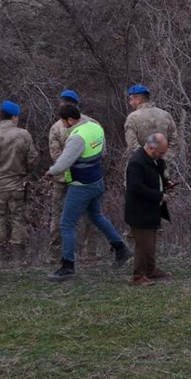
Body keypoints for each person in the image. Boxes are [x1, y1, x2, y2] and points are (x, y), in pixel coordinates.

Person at [41, 102, 133, 281]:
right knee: (97, 217)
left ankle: (68, 266)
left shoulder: (77, 137)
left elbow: (64, 162)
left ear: (69, 120)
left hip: (80, 185)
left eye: (63, 122)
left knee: (66, 224)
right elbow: (103, 151)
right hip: (96, 181)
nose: (63, 125)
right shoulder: (94, 126)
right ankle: (121, 249)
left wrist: (50, 172)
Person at [0, 99, 38, 267]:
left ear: (1, 116)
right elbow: (33, 160)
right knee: (18, 220)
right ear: (14, 117)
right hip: (18, 185)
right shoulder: (23, 134)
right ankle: (18, 259)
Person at [47, 89, 97, 264]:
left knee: (59, 217)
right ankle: (90, 252)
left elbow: (56, 155)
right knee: (90, 214)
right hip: (85, 178)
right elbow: (99, 151)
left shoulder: (56, 128)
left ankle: (55, 255)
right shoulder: (92, 124)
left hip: (62, 180)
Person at [125, 132, 174, 285]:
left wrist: (166, 182)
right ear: (151, 147)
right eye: (161, 153)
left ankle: (151, 270)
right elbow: (135, 187)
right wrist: (159, 196)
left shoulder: (155, 160)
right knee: (143, 245)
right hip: (139, 211)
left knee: (151, 242)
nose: (162, 156)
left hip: (152, 209)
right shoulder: (136, 162)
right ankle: (138, 276)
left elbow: (156, 176)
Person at [124, 83, 178, 170]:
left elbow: (132, 146)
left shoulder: (132, 118)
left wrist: (146, 162)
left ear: (138, 99)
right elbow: (174, 141)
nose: (130, 103)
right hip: (162, 169)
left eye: (131, 99)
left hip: (139, 169)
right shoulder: (165, 115)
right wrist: (164, 159)